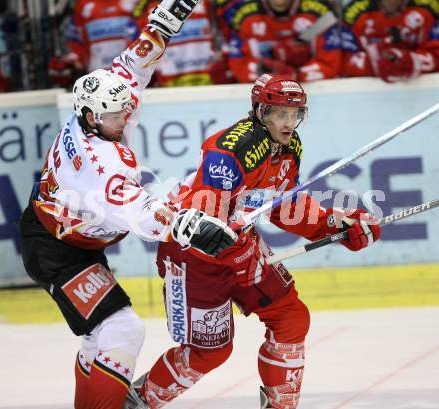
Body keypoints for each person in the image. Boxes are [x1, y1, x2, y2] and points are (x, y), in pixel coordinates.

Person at [19, 1, 238, 408]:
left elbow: (133, 65)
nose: (124, 118)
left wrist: (164, 24)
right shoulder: (98, 162)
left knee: (97, 338)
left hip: (69, 238)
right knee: (123, 331)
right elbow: (137, 210)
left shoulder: (100, 104)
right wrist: (186, 225)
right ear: (89, 118)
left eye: (125, 109)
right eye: (115, 115)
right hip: (56, 250)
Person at [124, 74, 381, 409]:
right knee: (211, 351)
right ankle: (138, 401)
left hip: (240, 245)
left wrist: (336, 224)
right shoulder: (231, 148)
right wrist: (239, 253)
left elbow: (282, 205)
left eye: (295, 114)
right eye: (280, 114)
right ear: (260, 111)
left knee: (290, 318)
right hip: (192, 255)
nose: (289, 123)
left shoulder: (290, 147)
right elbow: (204, 219)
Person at [225, 0, 342, 83]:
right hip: (265, 97)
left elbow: (331, 64)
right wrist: (269, 75)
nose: (279, 2)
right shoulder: (244, 15)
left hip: (311, 94)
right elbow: (239, 65)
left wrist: (295, 75)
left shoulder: (320, 13)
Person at [48, 0, 150, 87]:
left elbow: (145, 32)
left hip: (130, 75)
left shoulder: (136, 2)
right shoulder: (82, 4)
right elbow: (76, 41)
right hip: (96, 76)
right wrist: (72, 60)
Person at [342, 0, 439, 82]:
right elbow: (344, 62)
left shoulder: (432, 8)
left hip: (423, 90)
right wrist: (374, 63)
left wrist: (412, 61)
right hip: (370, 95)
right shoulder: (353, 14)